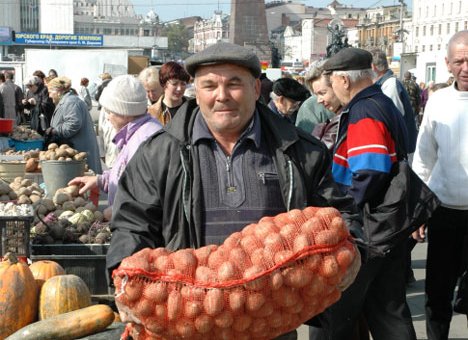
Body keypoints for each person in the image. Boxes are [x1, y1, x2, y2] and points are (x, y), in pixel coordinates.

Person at [106, 42, 362, 339]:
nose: (221, 96)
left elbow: (342, 213)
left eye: (234, 84)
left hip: (273, 322)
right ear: (196, 91)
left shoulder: (301, 151)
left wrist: (356, 248)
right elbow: (132, 225)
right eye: (209, 85)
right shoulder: (159, 153)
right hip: (189, 321)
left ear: (256, 88)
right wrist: (125, 281)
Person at [309, 47, 416, 340]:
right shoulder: (381, 102)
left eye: (330, 83)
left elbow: (371, 169)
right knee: (389, 313)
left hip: (369, 227)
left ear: (343, 80)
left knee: (338, 314)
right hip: (388, 225)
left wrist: (345, 212)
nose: (330, 90)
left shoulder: (363, 109)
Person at [411, 30, 468, 340]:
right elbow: (423, 159)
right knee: (438, 293)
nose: (465, 67)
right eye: (459, 60)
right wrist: (418, 211)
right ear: (447, 63)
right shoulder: (438, 102)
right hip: (444, 212)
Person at [68, 75, 162, 218]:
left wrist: (109, 214)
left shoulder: (145, 141)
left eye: (109, 111)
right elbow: (126, 176)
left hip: (139, 235)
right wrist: (100, 180)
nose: (107, 117)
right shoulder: (136, 134)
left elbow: (144, 201)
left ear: (124, 112)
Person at [45, 76, 102, 174]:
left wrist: (55, 130)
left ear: (58, 91)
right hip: (75, 149)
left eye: (50, 92)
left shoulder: (71, 102)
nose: (49, 96)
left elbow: (73, 124)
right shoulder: (66, 101)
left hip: (79, 148)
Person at [371, 49, 418, 159]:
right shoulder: (386, 83)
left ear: (373, 67)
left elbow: (391, 120)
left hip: (399, 150)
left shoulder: (390, 85)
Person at [296, 61, 335, 135]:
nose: (319, 100)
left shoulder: (356, 107)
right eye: (316, 94)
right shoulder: (310, 107)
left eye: (322, 93)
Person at [149, 61, 190, 126]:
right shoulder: (151, 113)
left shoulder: (193, 109)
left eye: (183, 84)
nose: (179, 88)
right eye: (174, 84)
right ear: (163, 83)